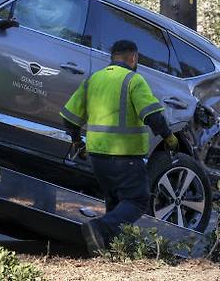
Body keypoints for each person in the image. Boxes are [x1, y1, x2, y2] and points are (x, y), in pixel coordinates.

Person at [60, 39, 179, 256]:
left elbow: (69, 118)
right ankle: (99, 228)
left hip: (96, 157)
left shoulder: (93, 79)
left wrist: (77, 141)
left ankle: (109, 250)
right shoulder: (134, 80)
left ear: (112, 57)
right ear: (133, 58)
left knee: (115, 203)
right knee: (137, 200)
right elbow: (152, 114)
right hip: (125, 156)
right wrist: (169, 137)